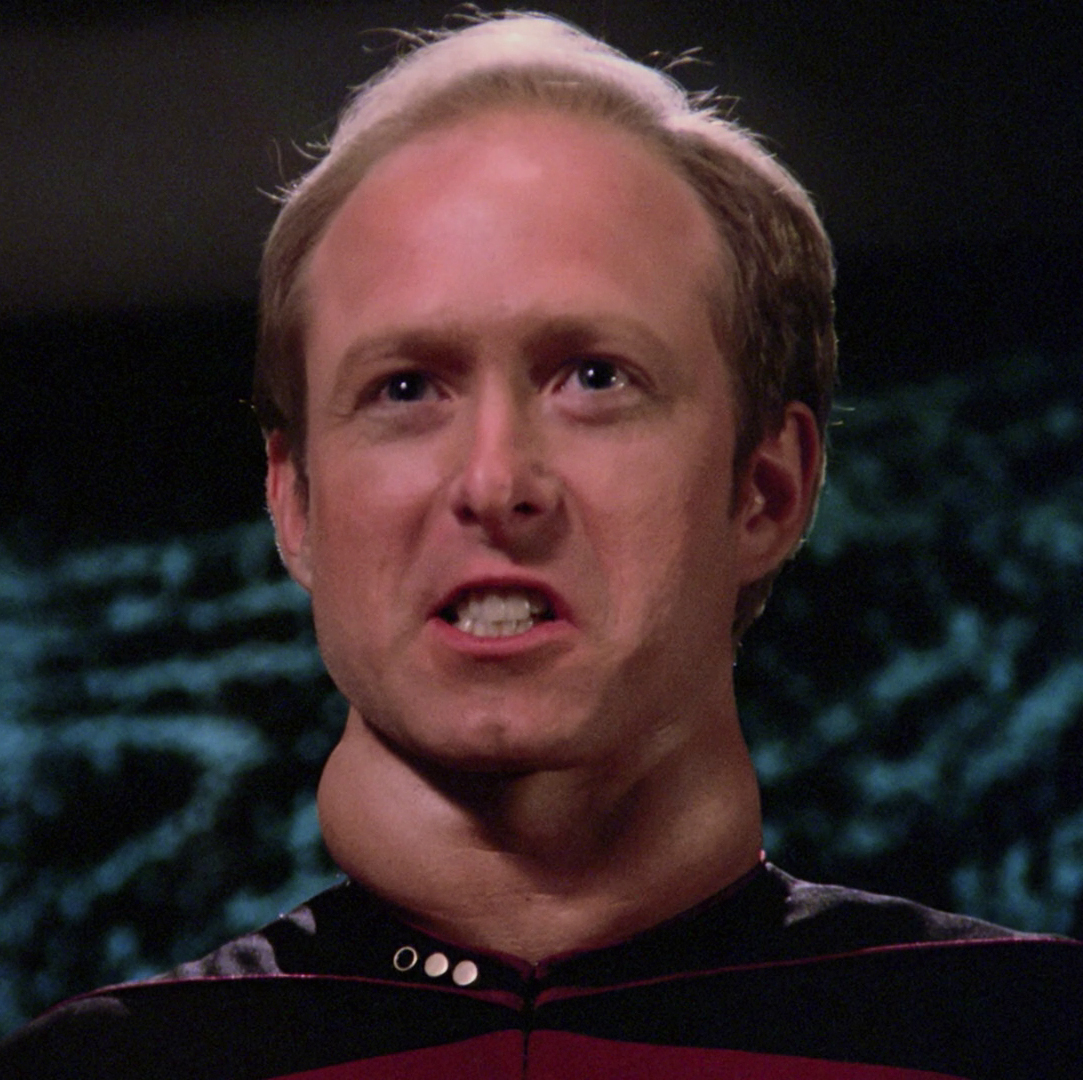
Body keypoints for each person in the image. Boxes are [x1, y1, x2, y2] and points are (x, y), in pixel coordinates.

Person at [3, 12, 1079, 1078]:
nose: (495, 483)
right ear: (294, 503)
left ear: (767, 490)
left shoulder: (1030, 1036)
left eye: (594, 378)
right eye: (406, 387)